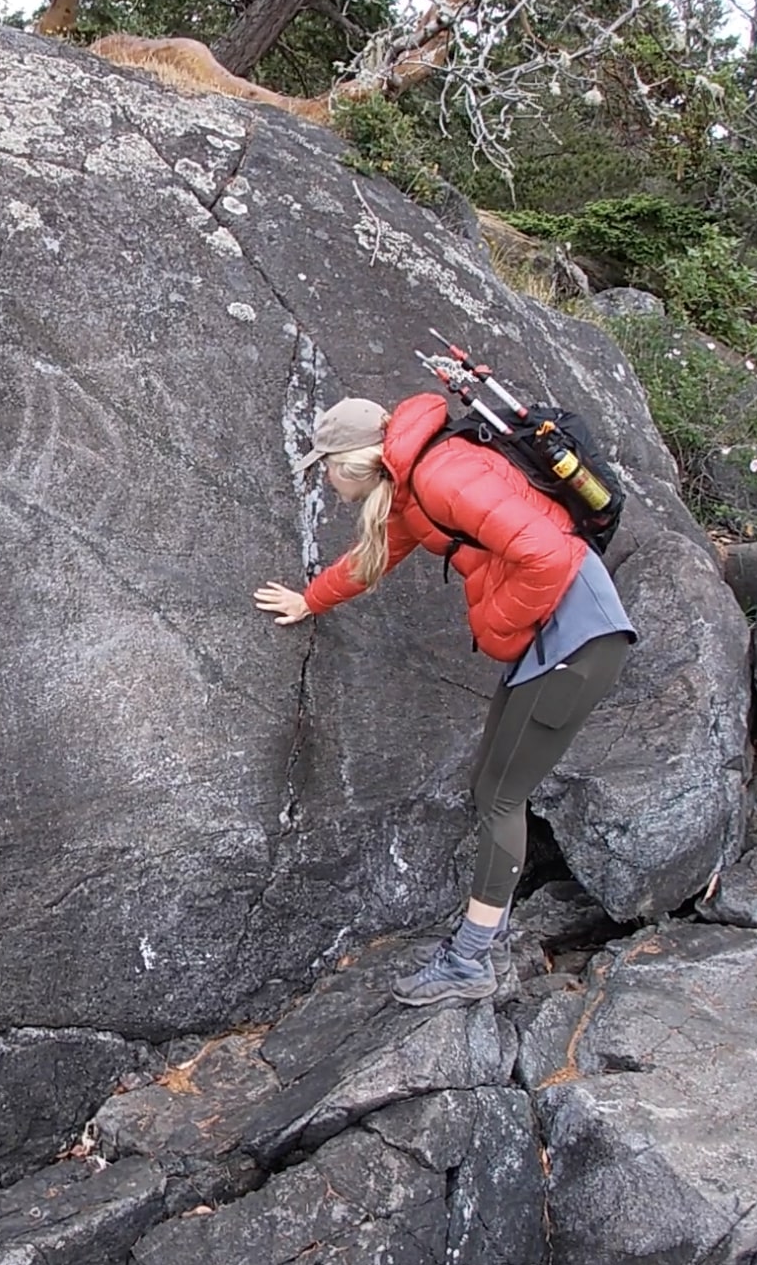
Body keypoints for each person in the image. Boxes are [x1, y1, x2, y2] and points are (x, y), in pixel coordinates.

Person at [254, 393, 635, 1006]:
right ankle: (486, 937)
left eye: (326, 467)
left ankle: (469, 961)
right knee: (489, 787)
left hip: (576, 639)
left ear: (356, 461)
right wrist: (310, 600)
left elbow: (546, 553)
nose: (325, 480)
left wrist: (500, 628)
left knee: (501, 796)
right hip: (555, 639)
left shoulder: (440, 476)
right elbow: (372, 558)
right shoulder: (415, 487)